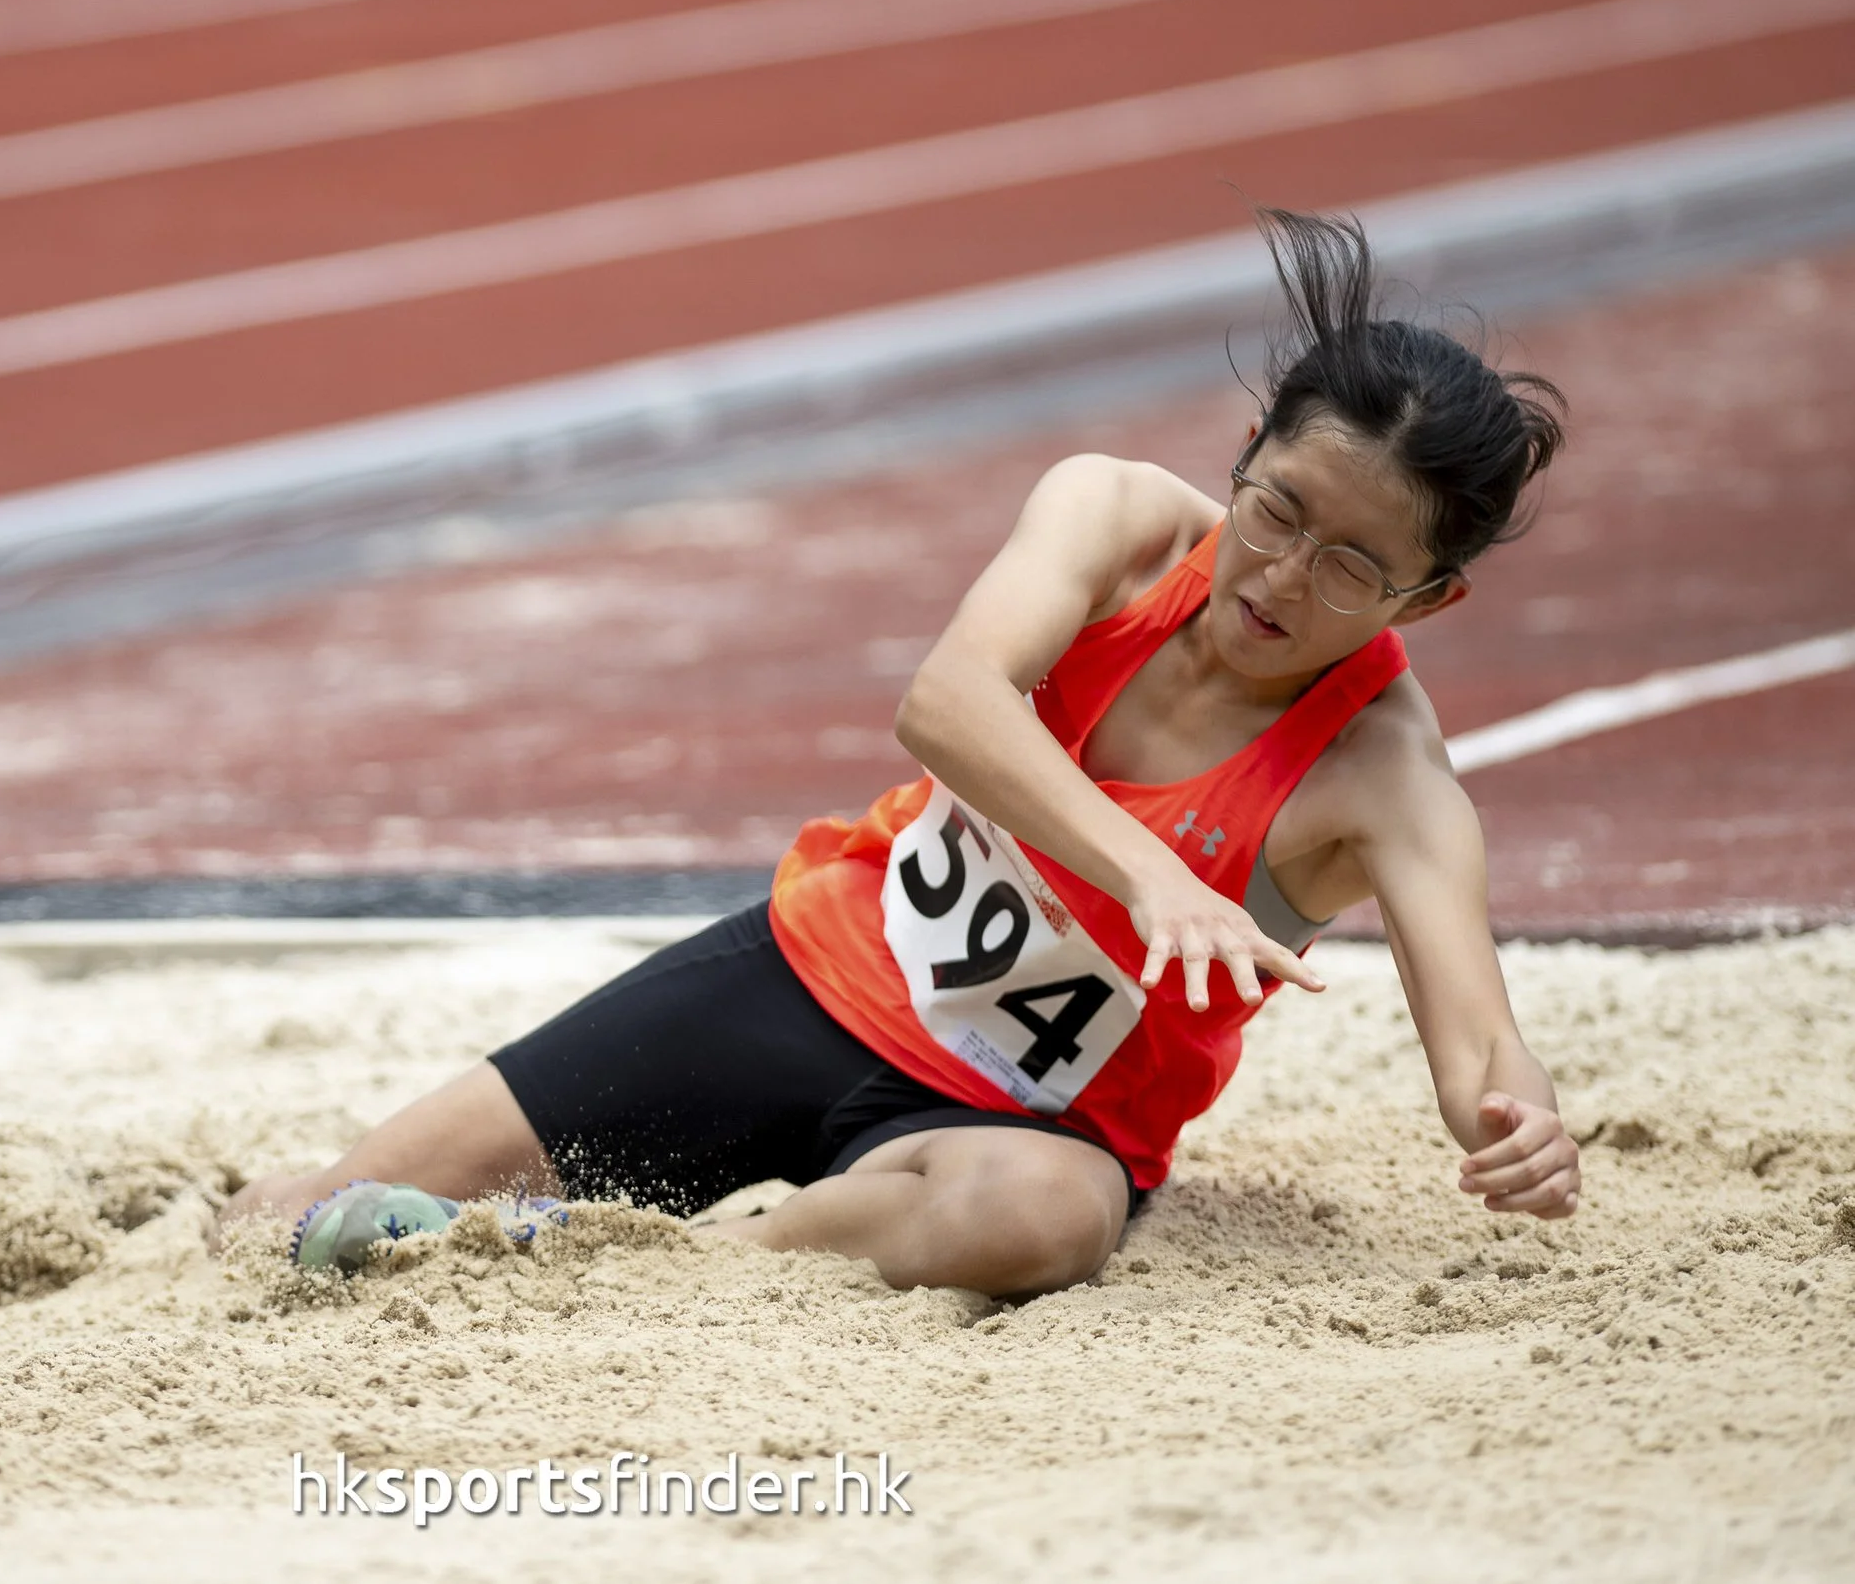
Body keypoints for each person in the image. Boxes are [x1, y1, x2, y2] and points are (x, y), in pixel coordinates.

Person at [223, 208, 1583, 1293]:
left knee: (1048, 1222)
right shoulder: (1114, 520)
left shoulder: (1385, 779)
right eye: (1277, 510)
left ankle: (663, 1265)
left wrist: (1517, 1124)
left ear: (1426, 601)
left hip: (1009, 1131)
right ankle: (363, 1206)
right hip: (807, 974)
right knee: (318, 1219)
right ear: (1244, 451)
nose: (1282, 576)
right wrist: (1151, 874)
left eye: (1351, 567)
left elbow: (1481, 1049)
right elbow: (947, 701)